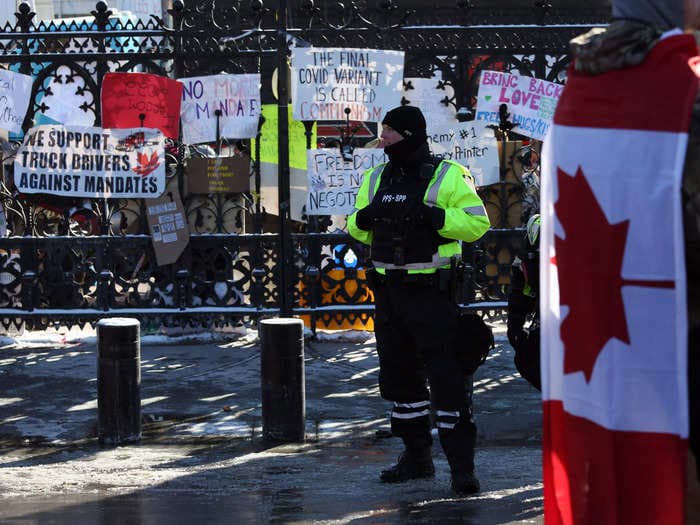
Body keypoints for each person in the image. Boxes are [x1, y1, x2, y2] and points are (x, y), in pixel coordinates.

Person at [347, 105, 490, 495]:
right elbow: (356, 227)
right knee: (399, 379)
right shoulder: (376, 177)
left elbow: (478, 223)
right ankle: (417, 457)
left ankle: (462, 468)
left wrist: (436, 218)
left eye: (389, 131)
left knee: (447, 380)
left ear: (409, 134)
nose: (383, 138)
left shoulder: (449, 175)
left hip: (432, 296)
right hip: (390, 295)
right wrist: (363, 220)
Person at [507, 214, 541, 391]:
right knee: (527, 356)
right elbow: (522, 288)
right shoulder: (537, 226)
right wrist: (515, 325)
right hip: (549, 316)